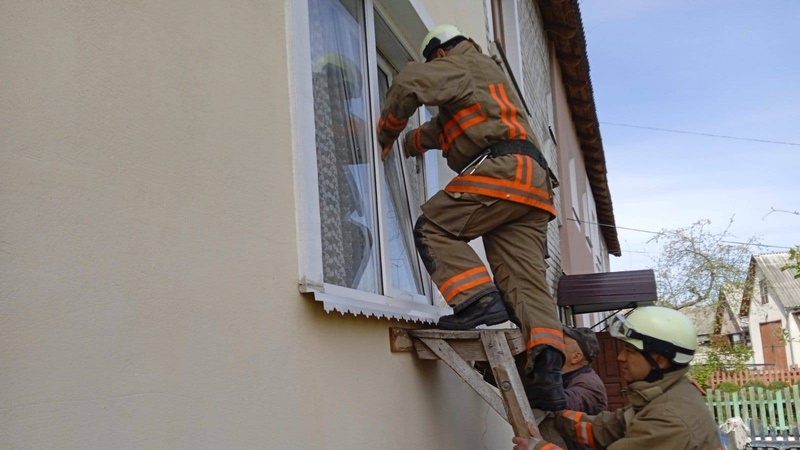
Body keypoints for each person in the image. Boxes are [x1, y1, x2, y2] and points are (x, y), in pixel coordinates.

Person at [376, 24, 565, 410]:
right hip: (531, 184)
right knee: (524, 281)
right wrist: (405, 143)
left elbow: (410, 81)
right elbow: (439, 131)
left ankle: (477, 301)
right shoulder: (481, 83)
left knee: (434, 227)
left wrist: (385, 132)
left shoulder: (461, 63)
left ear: (440, 54)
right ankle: (547, 375)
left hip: (501, 170)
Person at [512, 306, 723, 450]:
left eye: (630, 351)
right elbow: (609, 426)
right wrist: (558, 417)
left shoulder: (668, 420)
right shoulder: (664, 394)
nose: (620, 357)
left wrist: (539, 448)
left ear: (659, 359)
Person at [562, 327, 607, 415]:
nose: (555, 345)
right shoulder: (567, 376)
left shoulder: (590, 385)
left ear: (576, 357)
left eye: (562, 342)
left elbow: (560, 403)